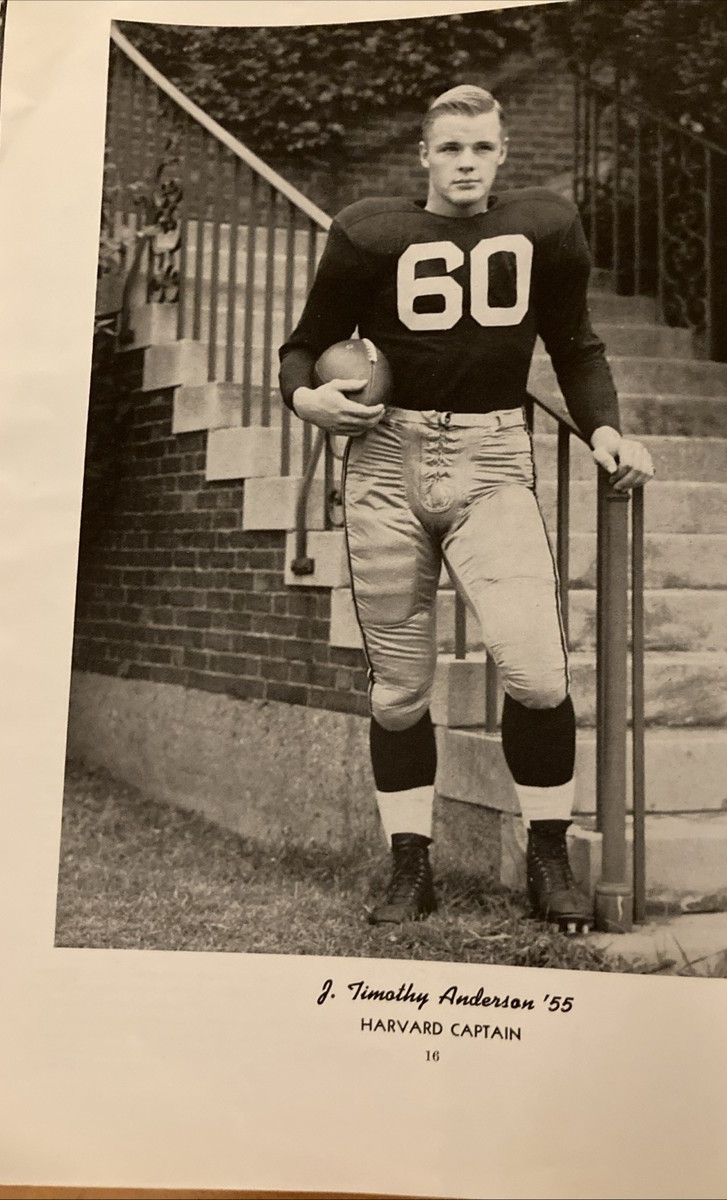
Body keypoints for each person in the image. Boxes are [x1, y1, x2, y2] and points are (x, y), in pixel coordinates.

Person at [279, 84, 653, 931]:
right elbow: (303, 344)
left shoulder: (544, 228)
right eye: (451, 149)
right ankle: (410, 864)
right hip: (385, 461)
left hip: (492, 458)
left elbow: (576, 344)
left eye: (482, 149)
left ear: (503, 152)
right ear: (424, 154)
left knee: (537, 670)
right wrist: (306, 402)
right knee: (399, 690)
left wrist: (608, 431)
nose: (467, 165)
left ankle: (547, 854)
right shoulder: (369, 232)